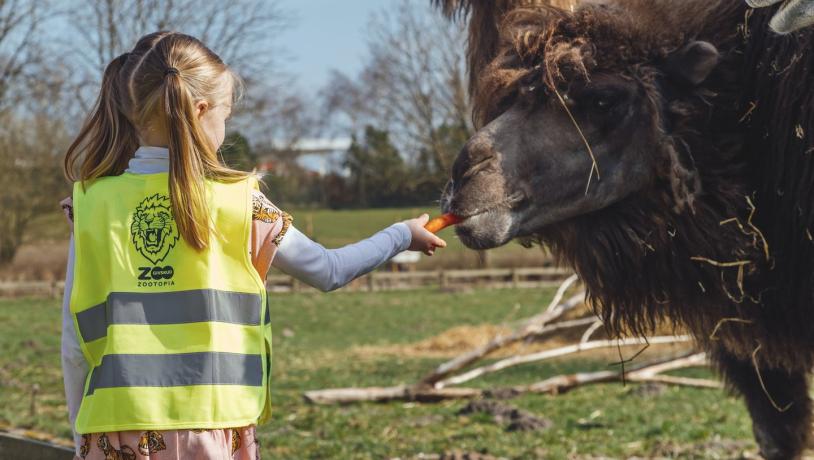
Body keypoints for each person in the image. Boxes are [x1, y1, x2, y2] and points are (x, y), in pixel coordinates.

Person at [60, 31, 446, 460]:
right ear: (201, 110)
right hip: (210, 431)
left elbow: (73, 348)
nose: (226, 126)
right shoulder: (242, 202)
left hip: (111, 431)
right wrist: (401, 235)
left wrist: (84, 437)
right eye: (226, 113)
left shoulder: (90, 204)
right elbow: (329, 270)